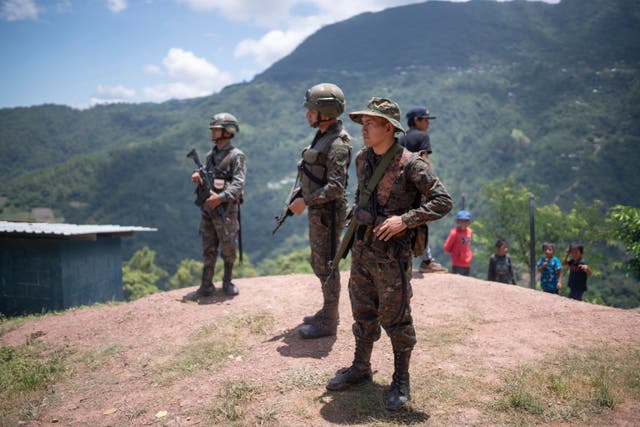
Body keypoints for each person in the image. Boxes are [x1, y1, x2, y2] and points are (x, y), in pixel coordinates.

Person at [325, 97, 452, 411]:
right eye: (363, 123)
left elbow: (442, 201)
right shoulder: (361, 159)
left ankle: (401, 378)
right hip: (363, 249)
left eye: (370, 123)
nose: (364, 129)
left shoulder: (411, 164)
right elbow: (361, 197)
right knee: (362, 310)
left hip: (393, 255)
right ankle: (361, 367)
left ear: (389, 128)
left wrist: (404, 220)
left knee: (396, 317)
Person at [289, 83, 352, 339]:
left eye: (311, 110)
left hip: (328, 214)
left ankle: (329, 320)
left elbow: (336, 187)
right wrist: (302, 193)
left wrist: (307, 202)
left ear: (325, 111)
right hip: (319, 211)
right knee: (319, 262)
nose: (307, 115)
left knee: (327, 264)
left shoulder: (337, 143)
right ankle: (328, 310)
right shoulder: (323, 135)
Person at [186, 113, 246, 299]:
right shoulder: (210, 156)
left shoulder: (237, 156)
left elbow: (238, 183)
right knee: (208, 245)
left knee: (228, 246)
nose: (212, 132)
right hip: (208, 208)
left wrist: (220, 198)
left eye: (216, 128)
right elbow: (207, 173)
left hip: (226, 209)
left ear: (227, 131)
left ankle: (227, 282)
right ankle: (206, 285)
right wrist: (198, 174)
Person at [398, 105, 447, 274]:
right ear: (416, 120)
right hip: (418, 187)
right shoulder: (422, 137)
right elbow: (424, 162)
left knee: (402, 220)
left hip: (401, 187)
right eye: (425, 119)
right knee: (421, 221)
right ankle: (426, 261)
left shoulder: (400, 138)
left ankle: (402, 257)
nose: (428, 123)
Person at [443, 209, 473, 276]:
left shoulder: (469, 232)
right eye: (461, 221)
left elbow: (468, 246)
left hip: (467, 262)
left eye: (466, 221)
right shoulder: (454, 233)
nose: (463, 223)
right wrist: (456, 253)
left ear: (469, 222)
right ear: (457, 222)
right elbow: (446, 248)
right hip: (457, 263)